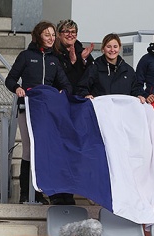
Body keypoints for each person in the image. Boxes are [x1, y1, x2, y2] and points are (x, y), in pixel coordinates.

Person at [5, 21, 72, 204]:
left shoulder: (54, 60)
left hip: (45, 114)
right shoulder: (26, 56)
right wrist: (18, 89)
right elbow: (10, 80)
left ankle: (39, 192)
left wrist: (61, 93)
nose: (50, 38)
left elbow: (66, 86)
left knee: (42, 151)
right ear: (38, 36)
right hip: (26, 109)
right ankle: (25, 194)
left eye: (52, 35)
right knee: (28, 150)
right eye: (47, 34)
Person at [49, 20, 95, 206]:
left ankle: (69, 192)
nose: (70, 34)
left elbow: (88, 79)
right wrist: (72, 62)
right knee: (57, 152)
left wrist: (81, 61)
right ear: (59, 34)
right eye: (66, 31)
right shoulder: (53, 52)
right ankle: (56, 193)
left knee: (72, 153)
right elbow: (55, 78)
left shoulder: (82, 51)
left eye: (73, 31)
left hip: (76, 110)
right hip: (58, 109)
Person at [77, 33, 146, 103]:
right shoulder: (94, 68)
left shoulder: (128, 70)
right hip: (101, 110)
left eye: (115, 46)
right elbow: (82, 87)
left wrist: (139, 95)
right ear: (103, 49)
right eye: (109, 46)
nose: (112, 50)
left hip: (123, 111)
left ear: (119, 48)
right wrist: (86, 95)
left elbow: (136, 89)